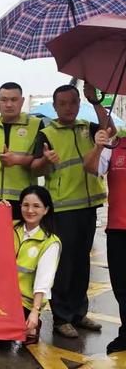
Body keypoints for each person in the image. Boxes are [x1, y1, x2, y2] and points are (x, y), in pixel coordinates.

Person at [31, 83, 115, 338]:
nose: (68, 107)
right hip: (63, 208)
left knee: (82, 263)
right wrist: (46, 160)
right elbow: (35, 169)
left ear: (79, 103)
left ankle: (79, 313)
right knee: (64, 265)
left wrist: (96, 101)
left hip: (88, 206)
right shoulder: (46, 133)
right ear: (55, 107)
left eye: (73, 102)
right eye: (63, 104)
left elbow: (108, 130)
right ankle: (62, 317)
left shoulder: (86, 128)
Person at [84, 128, 126, 354]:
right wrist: (98, 146)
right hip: (118, 228)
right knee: (121, 287)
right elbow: (91, 168)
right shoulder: (115, 145)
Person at [0, 82, 43, 219]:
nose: (8, 104)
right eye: (4, 100)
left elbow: (40, 161)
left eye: (14, 100)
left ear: (22, 101)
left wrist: (18, 160)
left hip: (25, 201)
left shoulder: (35, 125)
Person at [12, 185, 61, 345]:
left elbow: (43, 280)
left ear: (46, 210)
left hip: (24, 301)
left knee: (7, 337)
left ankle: (33, 322)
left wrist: (35, 311)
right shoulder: (9, 227)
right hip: (1, 296)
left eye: (36, 206)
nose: (30, 210)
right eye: (25, 205)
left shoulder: (50, 242)